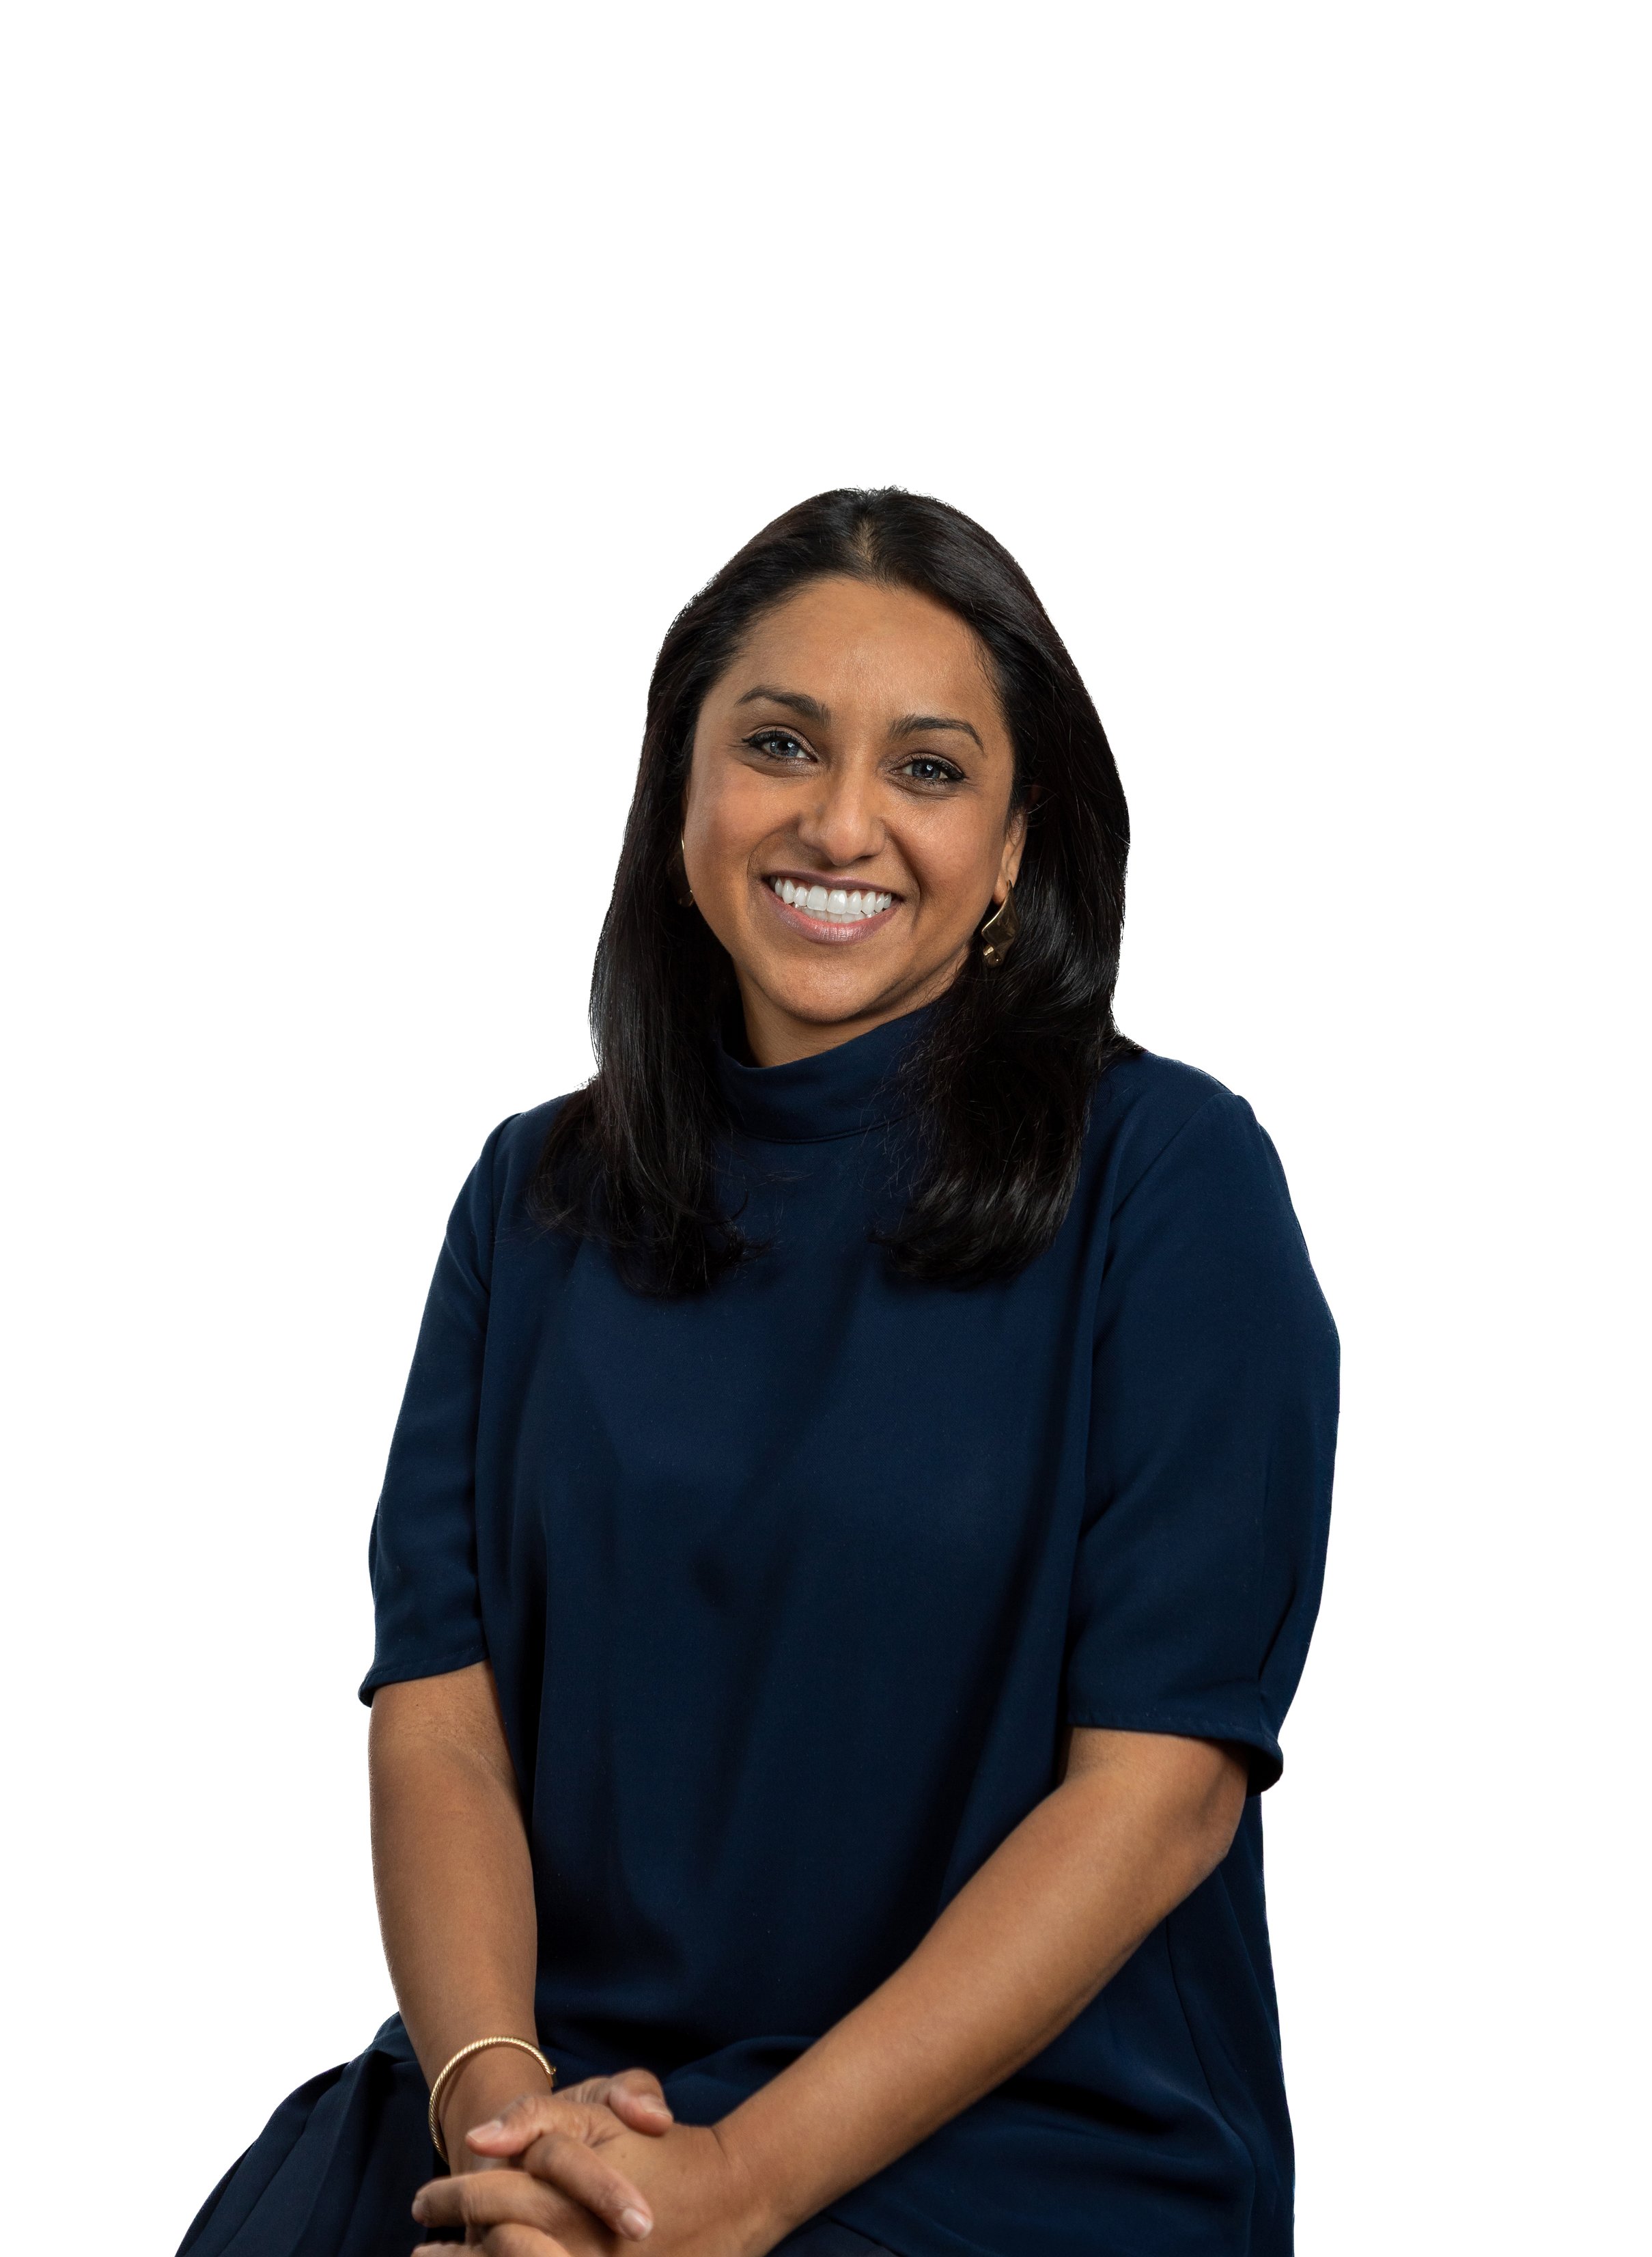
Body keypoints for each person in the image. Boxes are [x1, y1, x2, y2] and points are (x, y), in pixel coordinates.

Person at [179, 488, 1338, 2257]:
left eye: (930, 768)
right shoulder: (532, 1195)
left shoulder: (1172, 1187)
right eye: (779, 744)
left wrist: (736, 2181)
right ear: (681, 797)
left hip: (1019, 2132)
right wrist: (503, 2120)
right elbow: (441, 1718)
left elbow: (1158, 1793)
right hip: (574, 2085)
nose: (841, 819)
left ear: (1020, 839)